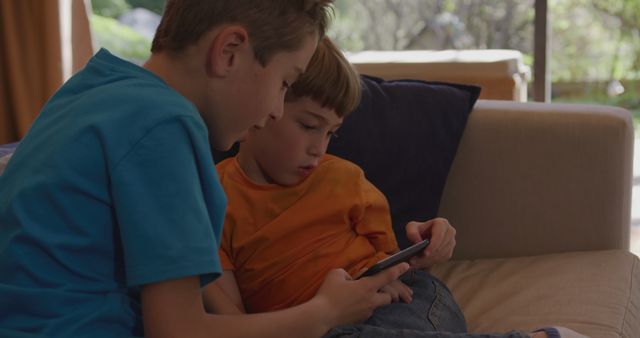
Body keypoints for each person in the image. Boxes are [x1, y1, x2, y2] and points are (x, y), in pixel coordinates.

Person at [0, 1, 414, 337]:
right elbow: (179, 331)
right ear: (229, 51)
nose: (274, 110)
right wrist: (324, 313)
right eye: (285, 83)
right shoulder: (166, 125)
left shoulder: (90, 87)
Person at [209, 37, 588, 338]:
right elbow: (232, 320)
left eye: (330, 133)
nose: (318, 147)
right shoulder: (214, 198)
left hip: (401, 301)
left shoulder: (343, 177)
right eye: (309, 126)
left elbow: (390, 259)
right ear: (266, 103)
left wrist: (423, 245)